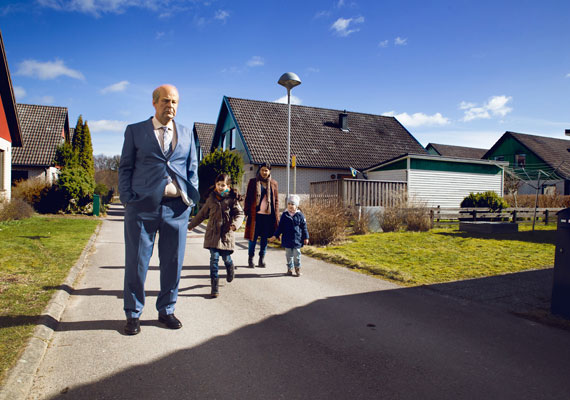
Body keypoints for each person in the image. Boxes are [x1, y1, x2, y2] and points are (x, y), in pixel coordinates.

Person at [118, 84, 199, 335]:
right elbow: (125, 168)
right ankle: (133, 314)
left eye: (174, 101)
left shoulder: (187, 133)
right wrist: (128, 199)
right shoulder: (135, 131)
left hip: (176, 210)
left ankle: (166, 310)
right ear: (154, 103)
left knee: (173, 264)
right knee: (137, 263)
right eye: (165, 101)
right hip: (141, 208)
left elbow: (193, 170)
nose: (170, 106)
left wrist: (189, 200)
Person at [188, 173, 244, 298]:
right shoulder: (211, 199)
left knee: (226, 258)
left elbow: (240, 214)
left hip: (225, 235)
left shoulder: (231, 199)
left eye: (223, 185)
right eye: (218, 184)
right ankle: (214, 287)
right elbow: (202, 214)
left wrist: (235, 225)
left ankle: (230, 267)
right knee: (214, 260)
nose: (220, 187)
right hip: (213, 234)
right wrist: (191, 225)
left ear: (228, 186)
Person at [243, 163, 279, 268]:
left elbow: (276, 201)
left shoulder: (274, 184)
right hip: (255, 216)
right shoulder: (253, 182)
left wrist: (277, 216)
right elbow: (248, 199)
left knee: (264, 239)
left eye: (266, 170)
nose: (264, 172)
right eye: (262, 170)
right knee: (252, 238)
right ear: (259, 170)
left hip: (268, 217)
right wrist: (246, 212)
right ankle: (250, 258)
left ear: (269, 171)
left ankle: (261, 259)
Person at [269, 194, 309, 277]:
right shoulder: (284, 215)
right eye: (289, 204)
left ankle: (297, 269)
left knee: (297, 255)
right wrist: (275, 236)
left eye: (293, 204)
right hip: (287, 239)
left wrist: (306, 237)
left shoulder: (300, 215)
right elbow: (280, 228)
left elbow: (304, 228)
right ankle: (290, 269)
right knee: (288, 255)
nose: (290, 206)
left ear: (297, 206)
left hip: (297, 239)